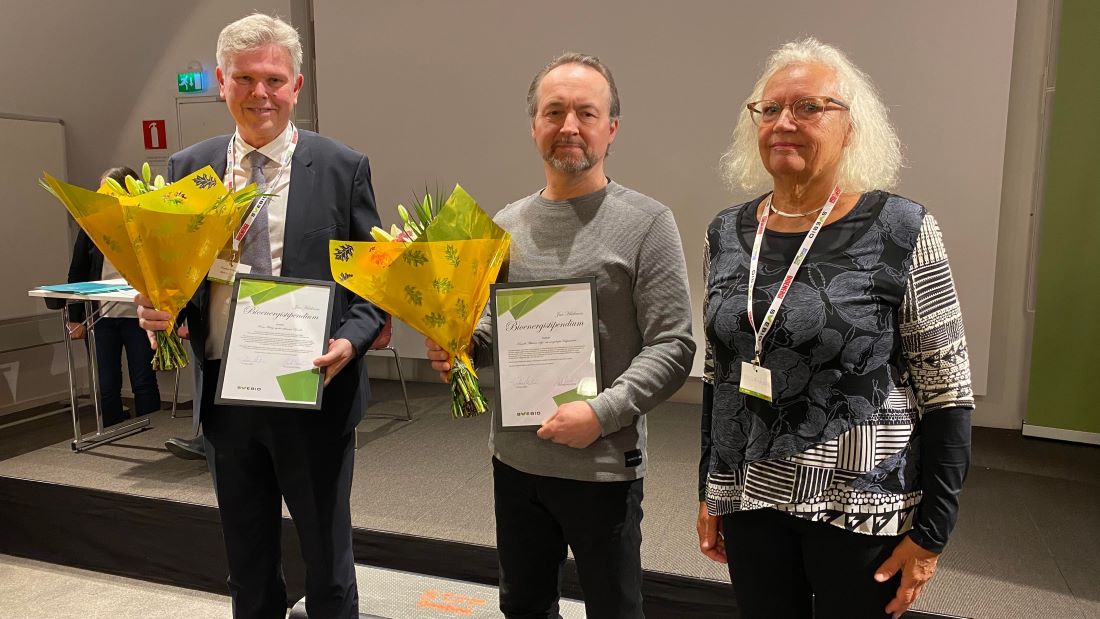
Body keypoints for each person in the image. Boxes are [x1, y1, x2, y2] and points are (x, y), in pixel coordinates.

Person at [696, 38, 974, 619]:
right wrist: (712, 488)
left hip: (861, 506)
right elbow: (721, 377)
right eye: (769, 109)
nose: (784, 122)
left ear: (851, 127)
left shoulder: (902, 228)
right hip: (754, 498)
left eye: (808, 107)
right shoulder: (727, 232)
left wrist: (933, 535)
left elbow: (947, 389)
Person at [426, 53, 695, 618]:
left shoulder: (648, 222)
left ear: (611, 128)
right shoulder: (504, 224)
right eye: (554, 112)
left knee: (614, 608)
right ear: (534, 125)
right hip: (516, 461)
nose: (569, 125)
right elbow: (492, 329)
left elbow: (674, 344)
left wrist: (601, 412)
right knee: (522, 604)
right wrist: (462, 349)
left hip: (602, 462)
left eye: (586, 113)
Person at [137, 13, 384, 618]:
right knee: (247, 566)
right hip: (225, 399)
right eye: (244, 79)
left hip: (314, 393)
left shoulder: (341, 167)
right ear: (221, 81)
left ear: (296, 86)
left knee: (328, 567)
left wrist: (350, 344)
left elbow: (374, 288)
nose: (260, 94)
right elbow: (175, 277)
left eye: (274, 79)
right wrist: (159, 306)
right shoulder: (187, 169)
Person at [67, 166, 162, 427]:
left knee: (143, 380)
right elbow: (77, 271)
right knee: (106, 383)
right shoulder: (92, 227)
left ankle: (152, 432)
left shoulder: (144, 222)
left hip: (137, 316)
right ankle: (111, 431)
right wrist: (75, 318)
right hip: (100, 317)